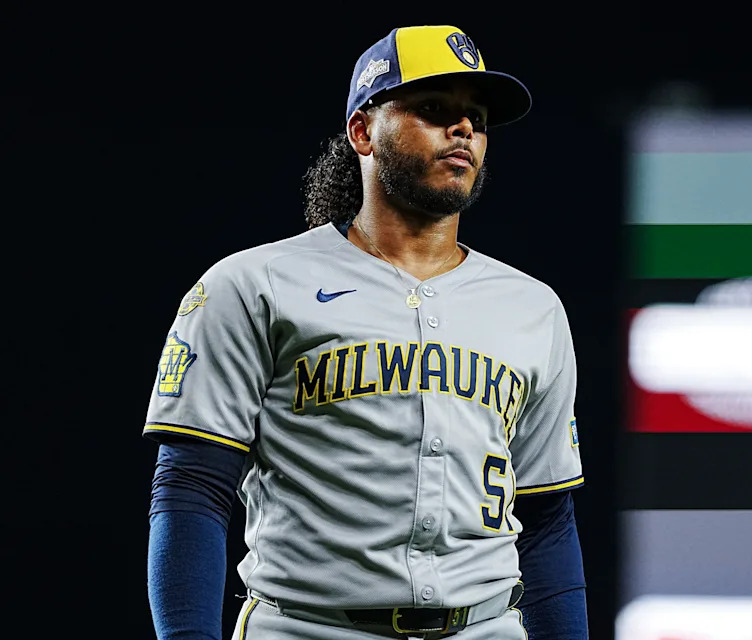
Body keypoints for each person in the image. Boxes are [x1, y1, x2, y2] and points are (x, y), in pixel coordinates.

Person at [144, 24, 587, 640]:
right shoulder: (255, 283)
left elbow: (545, 519)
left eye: (476, 119)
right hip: (308, 627)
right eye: (434, 109)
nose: (462, 130)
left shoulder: (532, 307)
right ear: (362, 131)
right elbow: (193, 488)